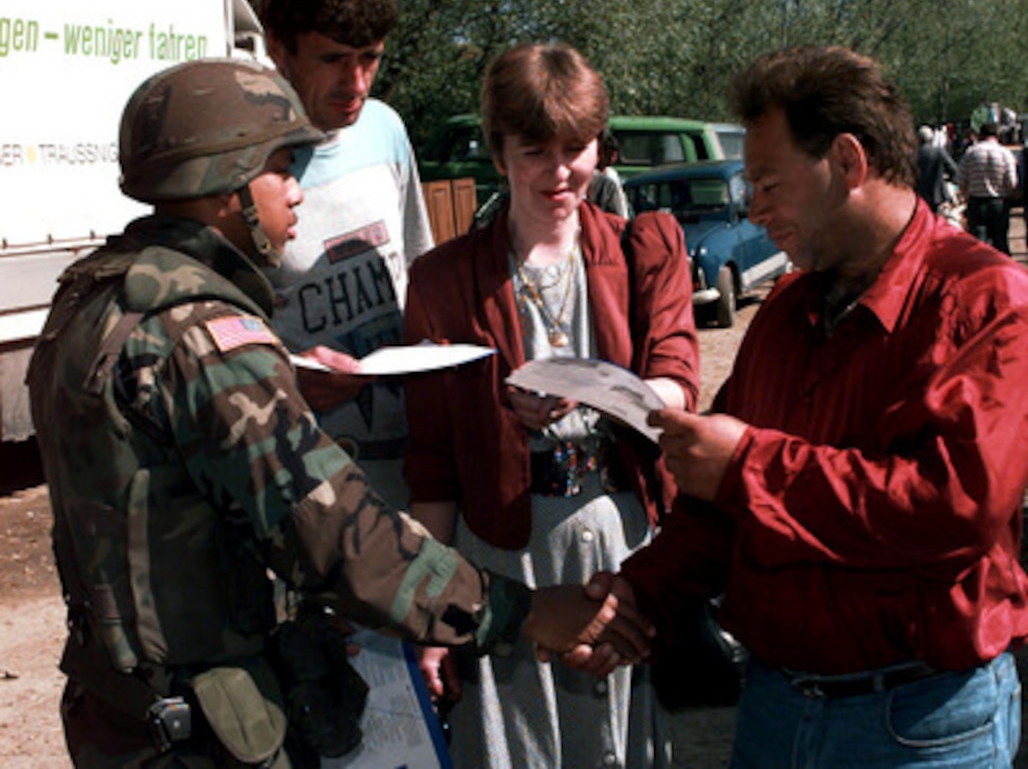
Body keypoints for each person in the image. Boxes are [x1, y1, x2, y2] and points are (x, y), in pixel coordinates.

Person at [26, 58, 653, 768]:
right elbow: (340, 540)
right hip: (201, 726)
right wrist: (526, 611)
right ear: (226, 186)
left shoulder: (93, 298)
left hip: (119, 711)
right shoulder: (205, 336)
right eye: (282, 168)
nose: (297, 192)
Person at [586, 45, 1028, 767]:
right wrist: (633, 598)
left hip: (921, 725)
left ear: (848, 163)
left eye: (767, 183)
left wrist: (749, 467)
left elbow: (954, 506)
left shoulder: (987, 301)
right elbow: (717, 501)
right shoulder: (788, 308)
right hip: (775, 709)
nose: (754, 210)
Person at [403, 41, 700, 768]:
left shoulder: (643, 249)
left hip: (622, 540)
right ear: (498, 151)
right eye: (536, 150)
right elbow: (435, 466)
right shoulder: (444, 280)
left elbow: (678, 384)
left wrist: (593, 386)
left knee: (617, 745)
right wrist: (433, 613)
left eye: (577, 147)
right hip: (503, 553)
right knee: (517, 745)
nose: (560, 171)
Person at [259, 0, 433, 508]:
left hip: (416, 467)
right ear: (277, 49)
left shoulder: (385, 128)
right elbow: (213, 336)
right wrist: (291, 383)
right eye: (333, 59)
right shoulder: (246, 163)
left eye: (370, 58)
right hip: (308, 484)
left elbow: (419, 270)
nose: (356, 81)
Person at [957, 120, 1019, 254]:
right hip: (998, 203)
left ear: (981, 135)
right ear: (997, 135)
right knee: (1001, 243)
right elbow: (1012, 182)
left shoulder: (971, 152)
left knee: (978, 246)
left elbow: (961, 179)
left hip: (977, 202)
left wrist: (966, 195)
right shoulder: (1004, 153)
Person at [914, 124, 959, 213]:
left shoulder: (913, 155)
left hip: (919, 195)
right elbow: (953, 169)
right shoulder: (939, 152)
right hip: (937, 194)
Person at [588, 128, 630, 217]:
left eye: (614, 156)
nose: (611, 159)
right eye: (608, 155)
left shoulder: (612, 176)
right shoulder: (591, 177)